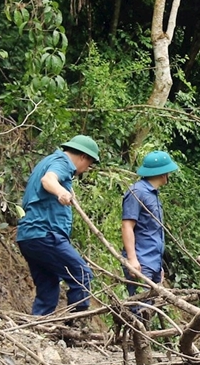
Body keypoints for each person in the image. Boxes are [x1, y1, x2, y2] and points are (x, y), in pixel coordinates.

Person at [15, 135, 101, 316]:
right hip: (45, 234)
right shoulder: (62, 162)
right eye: (89, 164)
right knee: (82, 275)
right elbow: (48, 180)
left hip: (29, 237)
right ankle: (78, 323)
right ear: (84, 157)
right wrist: (61, 191)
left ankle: (37, 328)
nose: (86, 169)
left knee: (48, 288)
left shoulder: (47, 161)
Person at [122, 150, 179, 317]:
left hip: (152, 262)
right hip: (141, 261)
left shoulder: (152, 194)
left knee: (149, 309)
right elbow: (127, 226)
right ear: (161, 173)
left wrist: (158, 266)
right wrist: (132, 259)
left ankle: (143, 341)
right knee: (139, 309)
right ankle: (134, 342)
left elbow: (153, 232)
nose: (169, 175)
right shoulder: (137, 192)